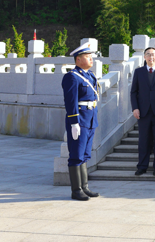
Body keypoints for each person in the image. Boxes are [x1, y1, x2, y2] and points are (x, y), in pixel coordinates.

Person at [62, 43, 100, 200]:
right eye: (87, 56)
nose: (91, 59)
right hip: (80, 121)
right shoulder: (72, 77)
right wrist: (74, 122)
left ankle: (85, 187)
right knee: (76, 155)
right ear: (78, 59)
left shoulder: (89, 75)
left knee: (85, 155)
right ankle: (76, 190)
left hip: (90, 120)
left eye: (91, 56)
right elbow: (71, 102)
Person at [130, 47, 155, 176]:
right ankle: (142, 166)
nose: (151, 57)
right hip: (143, 112)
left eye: (153, 54)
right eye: (148, 54)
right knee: (144, 141)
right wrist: (135, 108)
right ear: (144, 57)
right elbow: (133, 92)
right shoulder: (138, 72)